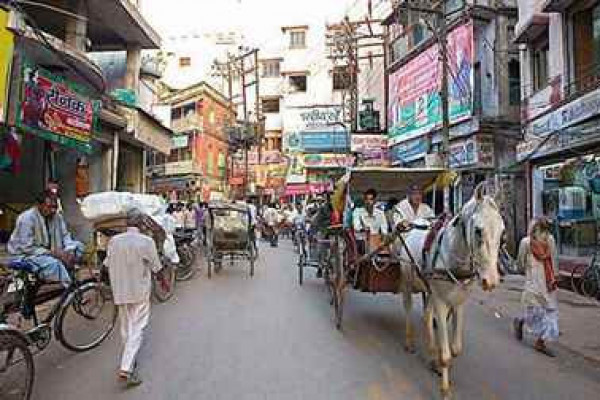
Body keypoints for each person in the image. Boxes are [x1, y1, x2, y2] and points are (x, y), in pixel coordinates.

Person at [103, 214, 162, 387]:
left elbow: (106, 265)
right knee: (137, 328)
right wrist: (163, 280)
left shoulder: (114, 241)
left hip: (120, 290)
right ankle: (126, 367)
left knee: (126, 327)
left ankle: (129, 361)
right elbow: (157, 267)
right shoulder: (146, 242)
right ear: (141, 225)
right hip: (140, 291)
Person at [7, 190, 83, 286]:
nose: (53, 210)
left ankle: (70, 270)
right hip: (26, 255)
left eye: (55, 207)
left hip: (52, 252)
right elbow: (26, 248)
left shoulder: (57, 217)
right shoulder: (26, 218)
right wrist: (54, 253)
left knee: (79, 246)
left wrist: (69, 251)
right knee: (54, 264)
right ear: (39, 205)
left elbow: (65, 235)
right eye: (49, 207)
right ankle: (68, 287)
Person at [513, 218, 560, 357]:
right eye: (540, 231)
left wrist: (554, 277)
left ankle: (540, 342)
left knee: (550, 316)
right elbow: (520, 264)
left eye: (544, 231)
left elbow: (554, 259)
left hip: (547, 284)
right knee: (534, 315)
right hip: (533, 284)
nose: (543, 235)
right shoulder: (526, 243)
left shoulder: (550, 241)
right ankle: (520, 321)